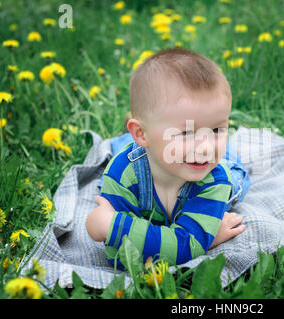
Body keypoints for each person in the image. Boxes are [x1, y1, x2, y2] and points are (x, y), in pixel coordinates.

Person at [85, 47, 250, 267]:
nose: (206, 148)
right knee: (131, 151)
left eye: (217, 130)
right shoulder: (122, 173)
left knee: (234, 172)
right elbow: (122, 257)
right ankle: (128, 139)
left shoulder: (215, 179)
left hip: (216, 172)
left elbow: (180, 246)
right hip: (147, 154)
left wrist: (201, 242)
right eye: (185, 133)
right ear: (141, 134)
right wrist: (188, 241)